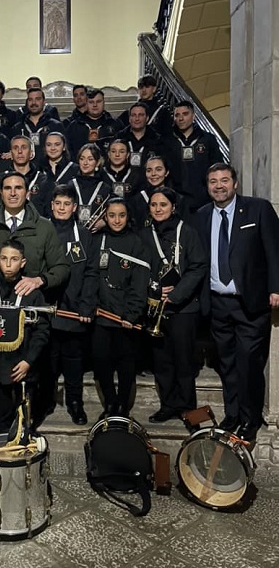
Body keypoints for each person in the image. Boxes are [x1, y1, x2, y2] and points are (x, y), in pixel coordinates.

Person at [195, 163, 279, 440]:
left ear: (235, 183)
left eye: (224, 180)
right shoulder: (202, 215)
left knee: (249, 364)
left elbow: (274, 251)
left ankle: (250, 419)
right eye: (213, 181)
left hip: (251, 303)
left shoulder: (259, 209)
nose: (219, 186)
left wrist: (275, 288)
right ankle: (232, 415)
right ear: (207, 186)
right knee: (227, 363)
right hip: (218, 305)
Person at [139, 187, 207, 423]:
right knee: (162, 361)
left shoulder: (187, 232)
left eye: (163, 205)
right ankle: (167, 405)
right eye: (154, 205)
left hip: (183, 308)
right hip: (156, 306)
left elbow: (198, 266)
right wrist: (154, 290)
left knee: (183, 361)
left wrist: (177, 294)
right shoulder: (144, 235)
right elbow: (140, 268)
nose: (158, 209)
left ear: (173, 207)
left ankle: (187, 408)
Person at [0, 239, 49, 432]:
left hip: (24, 366)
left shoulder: (33, 293)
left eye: (14, 259)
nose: (8, 264)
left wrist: (28, 361)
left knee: (23, 422)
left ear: (23, 263)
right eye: (4, 259)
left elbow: (42, 332)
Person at [92, 198, 149, 417]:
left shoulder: (137, 243)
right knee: (101, 359)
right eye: (112, 215)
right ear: (105, 217)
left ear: (128, 216)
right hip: (101, 316)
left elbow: (140, 282)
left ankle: (123, 405)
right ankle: (110, 402)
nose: (117, 220)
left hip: (126, 317)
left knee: (126, 361)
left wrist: (132, 313)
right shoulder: (96, 240)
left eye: (122, 215)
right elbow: (92, 277)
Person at [0, 172, 70, 297]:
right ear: (1, 193)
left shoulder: (44, 227)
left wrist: (40, 280)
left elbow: (61, 268)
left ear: (27, 193)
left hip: (32, 304)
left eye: (18, 188)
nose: (13, 193)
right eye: (8, 188)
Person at [49, 185, 99, 424]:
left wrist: (87, 305)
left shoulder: (84, 234)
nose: (61, 208)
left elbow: (91, 272)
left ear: (75, 208)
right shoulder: (43, 231)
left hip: (75, 310)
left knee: (73, 360)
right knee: (48, 360)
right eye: (58, 203)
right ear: (51, 205)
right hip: (47, 310)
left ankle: (75, 402)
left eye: (66, 204)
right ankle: (45, 401)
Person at [163, 100, 223, 214]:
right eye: (177, 115)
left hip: (203, 199)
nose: (181, 118)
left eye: (185, 114)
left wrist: (209, 191)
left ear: (193, 116)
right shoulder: (167, 141)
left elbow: (217, 167)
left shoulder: (207, 139)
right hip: (176, 199)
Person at [129, 155, 189, 230]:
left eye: (158, 169)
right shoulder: (137, 200)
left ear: (166, 172)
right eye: (149, 170)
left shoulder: (178, 199)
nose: (153, 174)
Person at [10, 88, 62, 165]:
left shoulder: (56, 126)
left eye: (37, 99)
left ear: (44, 102)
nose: (33, 103)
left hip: (50, 172)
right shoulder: (17, 128)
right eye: (30, 99)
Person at [67, 89, 121, 157]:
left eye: (98, 101)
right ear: (86, 104)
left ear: (104, 102)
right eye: (91, 102)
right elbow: (68, 151)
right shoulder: (74, 126)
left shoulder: (115, 124)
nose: (95, 105)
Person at [69, 144, 111, 232]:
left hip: (96, 237)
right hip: (73, 234)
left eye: (90, 159)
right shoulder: (71, 185)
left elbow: (114, 212)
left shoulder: (105, 188)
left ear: (98, 162)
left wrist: (105, 222)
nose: (85, 163)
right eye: (82, 158)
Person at [38, 132, 79, 215]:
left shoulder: (75, 169)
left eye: (57, 144)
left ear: (64, 147)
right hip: (44, 219)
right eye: (49, 145)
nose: (53, 148)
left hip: (68, 219)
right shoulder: (39, 169)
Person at [5, 135, 47, 213]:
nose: (20, 151)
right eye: (15, 148)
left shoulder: (43, 181)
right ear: (10, 154)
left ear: (31, 153)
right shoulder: (2, 179)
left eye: (24, 147)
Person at [118, 102, 163, 171]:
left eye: (141, 115)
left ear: (147, 118)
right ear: (129, 118)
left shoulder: (158, 140)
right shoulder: (119, 138)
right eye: (133, 115)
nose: (137, 118)